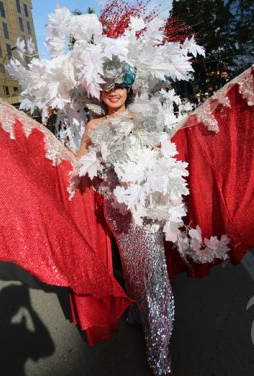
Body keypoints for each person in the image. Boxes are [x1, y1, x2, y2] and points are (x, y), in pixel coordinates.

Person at [76, 79, 175, 375]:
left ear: (128, 89)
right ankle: (137, 310)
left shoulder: (142, 117)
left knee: (153, 272)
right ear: (99, 91)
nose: (114, 91)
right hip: (117, 210)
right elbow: (78, 164)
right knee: (133, 269)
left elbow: (163, 152)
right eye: (107, 85)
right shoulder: (94, 127)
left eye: (120, 85)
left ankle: (159, 348)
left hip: (146, 208)